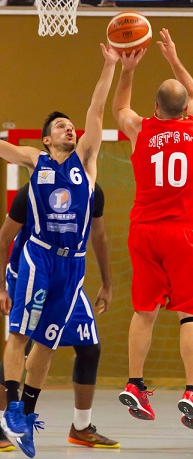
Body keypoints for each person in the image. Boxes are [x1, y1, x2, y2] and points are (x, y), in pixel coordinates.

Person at [0, 42, 119, 457]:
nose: (70, 129)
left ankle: (25, 417)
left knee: (48, 343)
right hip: (40, 254)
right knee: (20, 332)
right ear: (47, 138)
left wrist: (109, 66)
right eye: (61, 126)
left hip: (74, 267)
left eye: (72, 126)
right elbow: (3, 148)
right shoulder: (38, 159)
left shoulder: (86, 160)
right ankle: (12, 409)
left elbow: (97, 111)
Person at [112, 28, 193, 431]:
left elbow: (119, 109)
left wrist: (127, 69)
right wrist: (173, 58)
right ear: (185, 109)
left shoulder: (141, 130)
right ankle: (191, 392)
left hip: (145, 230)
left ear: (155, 107)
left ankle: (135, 383)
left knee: (144, 311)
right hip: (185, 233)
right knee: (190, 314)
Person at [0, 182, 119, 452]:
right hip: (29, 273)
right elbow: (4, 237)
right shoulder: (36, 184)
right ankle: (6, 419)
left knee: (89, 347)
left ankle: (80, 427)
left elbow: (98, 235)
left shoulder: (89, 189)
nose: (71, 136)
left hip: (67, 279)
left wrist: (107, 283)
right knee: (20, 340)